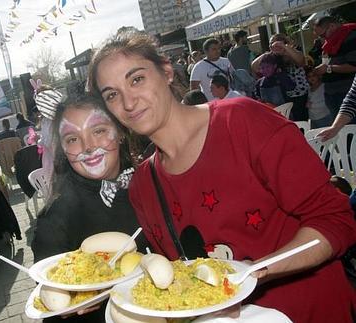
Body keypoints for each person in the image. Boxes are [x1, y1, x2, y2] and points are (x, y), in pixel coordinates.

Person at [88, 29, 356, 323]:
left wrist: (252, 273)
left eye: (136, 79)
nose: (128, 102)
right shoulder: (143, 186)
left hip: (311, 311)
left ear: (166, 71)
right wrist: (95, 289)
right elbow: (179, 275)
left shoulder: (242, 122)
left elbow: (335, 220)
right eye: (112, 95)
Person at [31, 93, 149, 322]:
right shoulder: (56, 218)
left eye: (99, 131)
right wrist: (73, 299)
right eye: (72, 139)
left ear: (120, 132)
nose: (87, 147)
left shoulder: (150, 182)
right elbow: (51, 298)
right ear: (63, 149)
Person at [252, 34, 309, 121]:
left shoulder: (293, 53)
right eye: (272, 44)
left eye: (277, 43)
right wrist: (269, 52)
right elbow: (254, 67)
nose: (275, 45)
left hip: (299, 96)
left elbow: (300, 61)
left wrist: (284, 48)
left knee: (301, 121)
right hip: (284, 97)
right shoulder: (273, 57)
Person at [312, 16, 356, 119]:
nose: (322, 38)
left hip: (348, 93)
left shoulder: (350, 37)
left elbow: (354, 66)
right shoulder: (331, 42)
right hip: (332, 92)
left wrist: (328, 68)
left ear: (332, 26)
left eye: (322, 35)